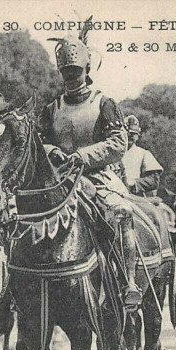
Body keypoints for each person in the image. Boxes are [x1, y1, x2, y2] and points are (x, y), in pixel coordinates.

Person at [39, 34, 141, 307]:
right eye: (66, 71)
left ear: (87, 69)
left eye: (75, 71)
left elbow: (119, 143)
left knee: (122, 212)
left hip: (99, 177)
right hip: (59, 179)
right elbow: (40, 141)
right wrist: (53, 152)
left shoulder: (104, 103)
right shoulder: (52, 109)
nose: (70, 76)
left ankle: (128, 282)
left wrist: (83, 156)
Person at [121, 115, 163, 197]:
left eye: (134, 134)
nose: (130, 136)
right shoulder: (112, 152)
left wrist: (133, 183)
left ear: (138, 136)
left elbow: (154, 180)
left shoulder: (143, 153)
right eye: (127, 133)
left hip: (134, 196)